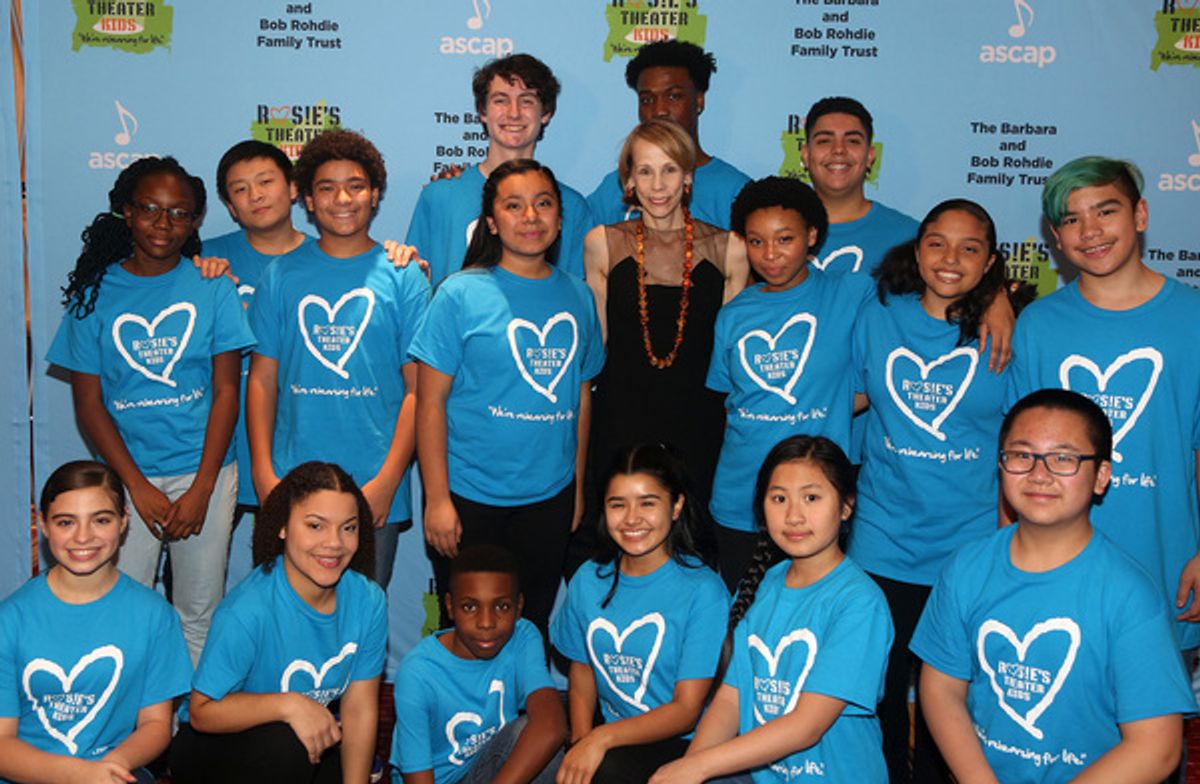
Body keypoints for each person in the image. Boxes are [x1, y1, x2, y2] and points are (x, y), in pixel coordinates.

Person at [912, 389, 1194, 783]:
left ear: (1101, 476)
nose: (1039, 474)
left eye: (1063, 458)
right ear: (1001, 466)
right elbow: (941, 687)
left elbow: (1156, 747)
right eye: (1022, 455)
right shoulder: (966, 568)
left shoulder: (1129, 595)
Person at [46, 156, 253, 663]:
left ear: (196, 222)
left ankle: (190, 727)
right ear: (125, 212)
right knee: (128, 603)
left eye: (180, 214)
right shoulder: (93, 296)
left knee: (199, 610)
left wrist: (202, 488)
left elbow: (228, 392)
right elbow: (89, 403)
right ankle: (136, 721)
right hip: (126, 478)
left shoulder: (213, 287)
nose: (164, 224)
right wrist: (134, 486)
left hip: (204, 475)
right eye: (150, 209)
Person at [848, 199, 1011, 783]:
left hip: (968, 549)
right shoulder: (877, 316)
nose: (950, 259)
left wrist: (1000, 303)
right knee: (879, 691)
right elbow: (847, 394)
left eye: (970, 248)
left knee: (957, 698)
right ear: (917, 252)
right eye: (937, 243)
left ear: (991, 262)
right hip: (882, 541)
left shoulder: (1006, 337)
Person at [1009, 156, 1200, 651]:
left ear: (1140, 215)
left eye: (1105, 211)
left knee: (1155, 726)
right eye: (1071, 219)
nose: (1090, 231)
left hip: (1166, 563)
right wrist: (1006, 552)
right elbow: (1016, 457)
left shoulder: (1192, 318)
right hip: (1055, 565)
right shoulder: (1039, 324)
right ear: (1055, 235)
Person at [411, 159, 604, 638]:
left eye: (543, 204)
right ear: (492, 223)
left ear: (560, 218)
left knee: (528, 626)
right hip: (470, 499)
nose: (531, 217)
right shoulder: (459, 294)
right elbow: (430, 403)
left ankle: (523, 713)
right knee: (469, 631)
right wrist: (437, 499)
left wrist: (576, 487)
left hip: (550, 500)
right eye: (514, 206)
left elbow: (581, 396)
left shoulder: (579, 297)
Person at [246, 129, 429, 589]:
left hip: (373, 488)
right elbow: (263, 380)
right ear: (307, 199)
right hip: (291, 483)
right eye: (326, 188)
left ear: (375, 195)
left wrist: (388, 481)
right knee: (286, 624)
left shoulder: (404, 277)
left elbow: (418, 390)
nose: (342, 198)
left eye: (356, 185)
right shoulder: (280, 275)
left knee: (360, 623)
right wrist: (264, 474)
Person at [650, 436, 893, 783]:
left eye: (811, 498)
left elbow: (807, 727)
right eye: (779, 498)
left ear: (846, 506)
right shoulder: (763, 584)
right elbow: (730, 701)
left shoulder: (860, 603)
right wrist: (690, 767)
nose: (794, 516)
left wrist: (696, 767)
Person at [170, 461, 388, 784]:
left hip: (297, 739)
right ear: (283, 526)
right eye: (315, 526)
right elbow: (202, 712)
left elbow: (359, 708)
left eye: (349, 527)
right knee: (288, 747)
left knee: (333, 760)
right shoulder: (247, 610)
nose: (334, 543)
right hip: (212, 746)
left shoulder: (368, 601)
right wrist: (288, 705)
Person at [585, 119, 749, 537]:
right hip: (619, 423)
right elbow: (595, 351)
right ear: (628, 181)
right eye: (645, 171)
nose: (658, 184)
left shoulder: (730, 250)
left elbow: (729, 363)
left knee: (694, 548)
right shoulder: (602, 243)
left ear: (689, 177)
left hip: (700, 426)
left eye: (670, 169)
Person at [707, 176, 867, 589]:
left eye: (784, 239)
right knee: (743, 628)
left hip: (815, 502)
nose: (770, 255)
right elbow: (727, 406)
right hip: (740, 498)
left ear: (812, 235)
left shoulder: (852, 293)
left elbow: (931, 295)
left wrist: (996, 302)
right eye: (756, 241)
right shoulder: (734, 314)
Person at [0, 461, 192, 784]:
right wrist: (79, 775)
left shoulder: (154, 615)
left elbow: (156, 725)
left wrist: (110, 767)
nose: (83, 536)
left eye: (101, 520)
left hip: (115, 773)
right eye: (66, 522)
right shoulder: (10, 620)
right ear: (44, 526)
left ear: (124, 521)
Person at [551, 444, 729, 784]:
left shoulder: (703, 590)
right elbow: (582, 665)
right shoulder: (589, 578)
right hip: (613, 736)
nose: (632, 519)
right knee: (521, 735)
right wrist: (581, 739)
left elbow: (686, 711)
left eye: (648, 503)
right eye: (617, 504)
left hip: (682, 744)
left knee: (608, 769)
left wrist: (599, 741)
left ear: (676, 506)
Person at [801, 96, 1014, 372]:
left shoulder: (910, 235)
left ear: (870, 156)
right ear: (805, 155)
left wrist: (996, 299)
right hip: (795, 405)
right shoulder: (778, 234)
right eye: (824, 140)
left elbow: (964, 276)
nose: (838, 150)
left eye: (853, 140)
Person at [204, 140, 313, 587]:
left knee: (298, 584)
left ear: (292, 188)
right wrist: (191, 273)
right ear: (230, 207)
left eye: (266, 181)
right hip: (219, 453)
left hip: (297, 446)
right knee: (195, 585)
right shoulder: (204, 261)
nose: (256, 195)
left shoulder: (331, 256)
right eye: (241, 190)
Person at [405, 53, 593, 284]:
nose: (513, 113)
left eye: (526, 101)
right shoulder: (439, 197)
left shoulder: (571, 206)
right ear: (483, 112)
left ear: (545, 113)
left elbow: (575, 299)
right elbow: (416, 289)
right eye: (501, 100)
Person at [391, 544, 566, 784]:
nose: (486, 623)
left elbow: (551, 726)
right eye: (470, 607)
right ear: (450, 607)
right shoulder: (418, 672)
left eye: (502, 606)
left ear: (519, 607)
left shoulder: (523, 635)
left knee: (537, 741)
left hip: (488, 773)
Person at [587, 40, 749, 229]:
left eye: (673, 96)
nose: (659, 111)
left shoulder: (734, 191)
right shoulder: (614, 187)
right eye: (647, 100)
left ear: (699, 100)